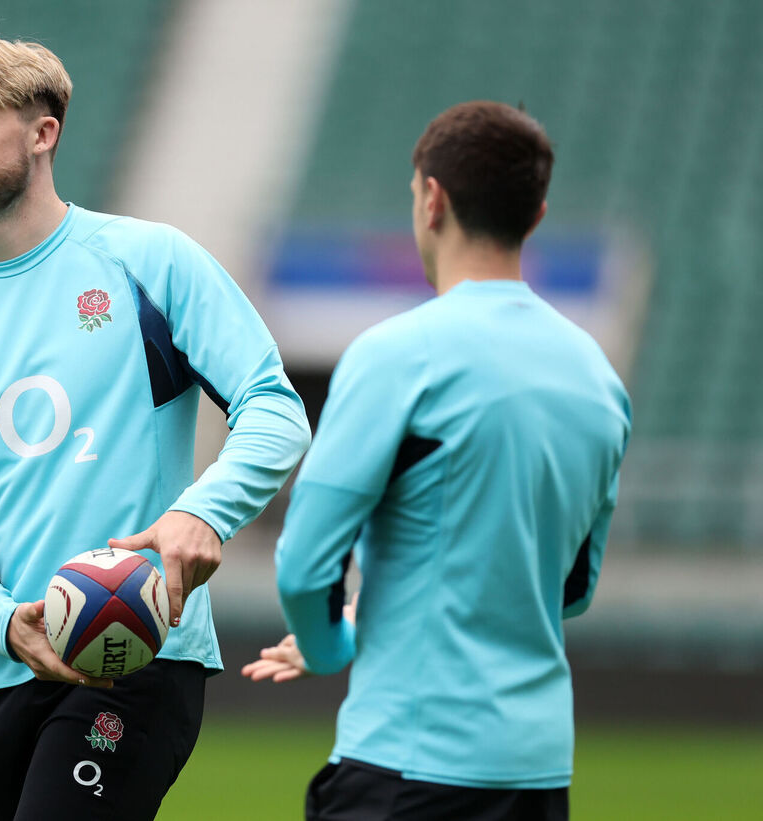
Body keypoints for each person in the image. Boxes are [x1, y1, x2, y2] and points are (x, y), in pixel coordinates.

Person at [0, 39, 310, 820]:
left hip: (133, 649)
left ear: (43, 132)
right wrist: (3, 622)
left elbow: (274, 408)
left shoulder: (151, 262)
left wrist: (202, 512)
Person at [242, 101, 631, 821]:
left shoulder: (398, 355)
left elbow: (304, 564)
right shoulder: (599, 378)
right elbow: (570, 588)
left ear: (432, 199)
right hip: (537, 777)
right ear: (536, 215)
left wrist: (328, 647)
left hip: (409, 767)